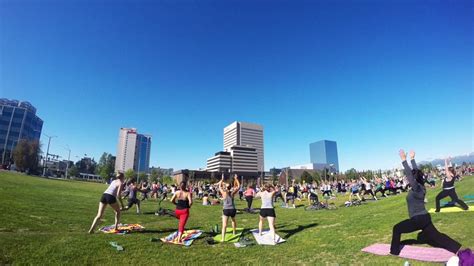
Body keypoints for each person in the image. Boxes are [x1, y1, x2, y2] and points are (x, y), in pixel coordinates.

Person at [390, 149, 468, 256]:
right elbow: (416, 173)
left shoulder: (416, 188)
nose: (409, 179)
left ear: (414, 179)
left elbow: (410, 175)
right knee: (437, 236)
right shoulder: (421, 187)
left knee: (396, 228)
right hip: (425, 218)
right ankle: (458, 248)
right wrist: (412, 159)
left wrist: (404, 160)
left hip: (417, 220)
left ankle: (394, 252)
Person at [218, 174, 240, 242]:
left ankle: (223, 238)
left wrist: (222, 179)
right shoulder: (232, 193)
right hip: (232, 209)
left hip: (226, 210)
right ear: (230, 187)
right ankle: (234, 232)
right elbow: (239, 186)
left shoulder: (223, 192)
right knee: (233, 220)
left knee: (224, 225)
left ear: (226, 187)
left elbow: (219, 186)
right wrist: (236, 178)